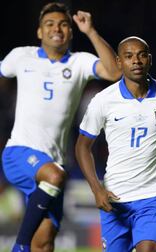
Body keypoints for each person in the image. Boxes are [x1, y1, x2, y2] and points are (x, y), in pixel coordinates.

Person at [0, 2, 121, 252]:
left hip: (56, 162)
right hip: (20, 153)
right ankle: (19, 246)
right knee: (54, 176)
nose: (57, 29)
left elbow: (114, 71)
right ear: (39, 32)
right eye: (50, 24)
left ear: (71, 32)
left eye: (63, 24)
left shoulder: (79, 62)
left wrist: (91, 31)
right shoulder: (21, 56)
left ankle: (28, 245)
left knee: (44, 242)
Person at [75, 36, 156, 252]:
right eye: (128, 56)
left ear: (149, 59)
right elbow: (82, 146)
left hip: (154, 195)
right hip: (115, 196)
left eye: (141, 55)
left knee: (150, 249)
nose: (136, 60)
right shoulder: (103, 100)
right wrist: (96, 189)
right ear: (119, 62)